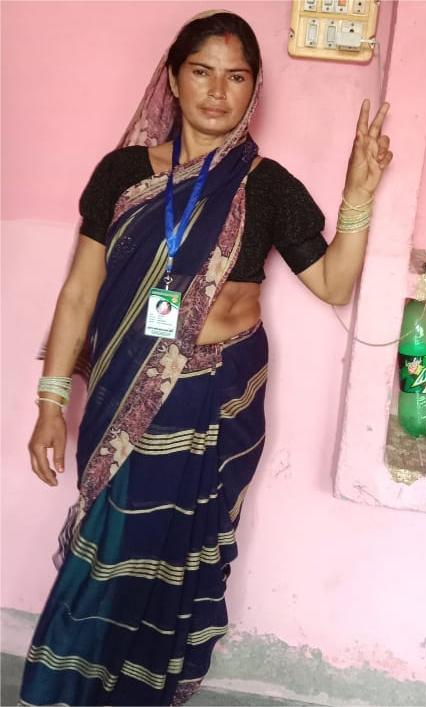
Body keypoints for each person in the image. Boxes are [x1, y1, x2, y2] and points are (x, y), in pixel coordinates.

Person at [21, 10, 393, 707]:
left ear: (253, 87)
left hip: (217, 404)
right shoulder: (123, 175)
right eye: (201, 72)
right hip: (126, 400)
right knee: (105, 556)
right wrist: (50, 401)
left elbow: (333, 284)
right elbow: (78, 293)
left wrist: (359, 194)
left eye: (236, 76)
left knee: (178, 563)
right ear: (173, 78)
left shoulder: (266, 185)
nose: (218, 91)